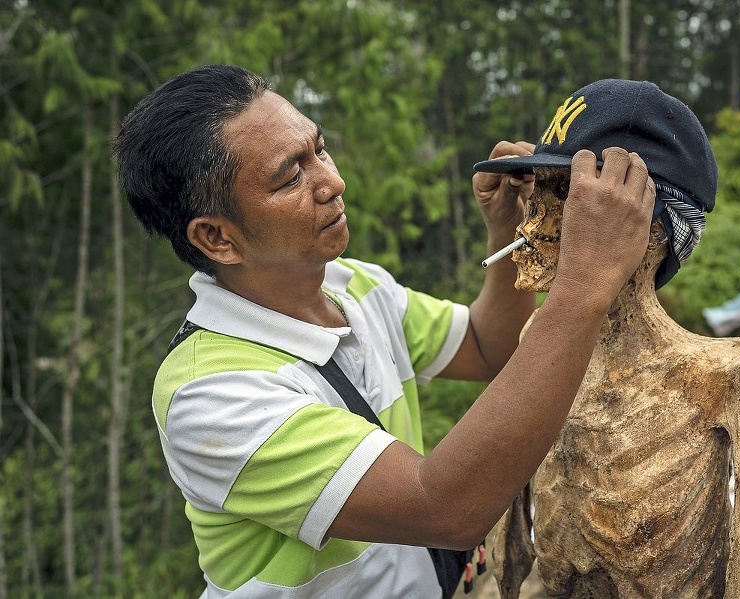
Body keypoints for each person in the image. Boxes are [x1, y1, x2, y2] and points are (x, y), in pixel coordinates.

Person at [112, 64, 654, 598]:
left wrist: (511, 230)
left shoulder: (354, 287)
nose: (332, 181)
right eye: (290, 177)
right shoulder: (211, 395)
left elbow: (487, 349)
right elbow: (445, 508)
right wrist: (586, 281)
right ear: (217, 237)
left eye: (318, 150)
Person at [475, 79, 740, 599]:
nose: (533, 222)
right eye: (538, 193)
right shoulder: (538, 340)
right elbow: (510, 535)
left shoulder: (723, 378)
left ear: (648, 225)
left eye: (567, 196)